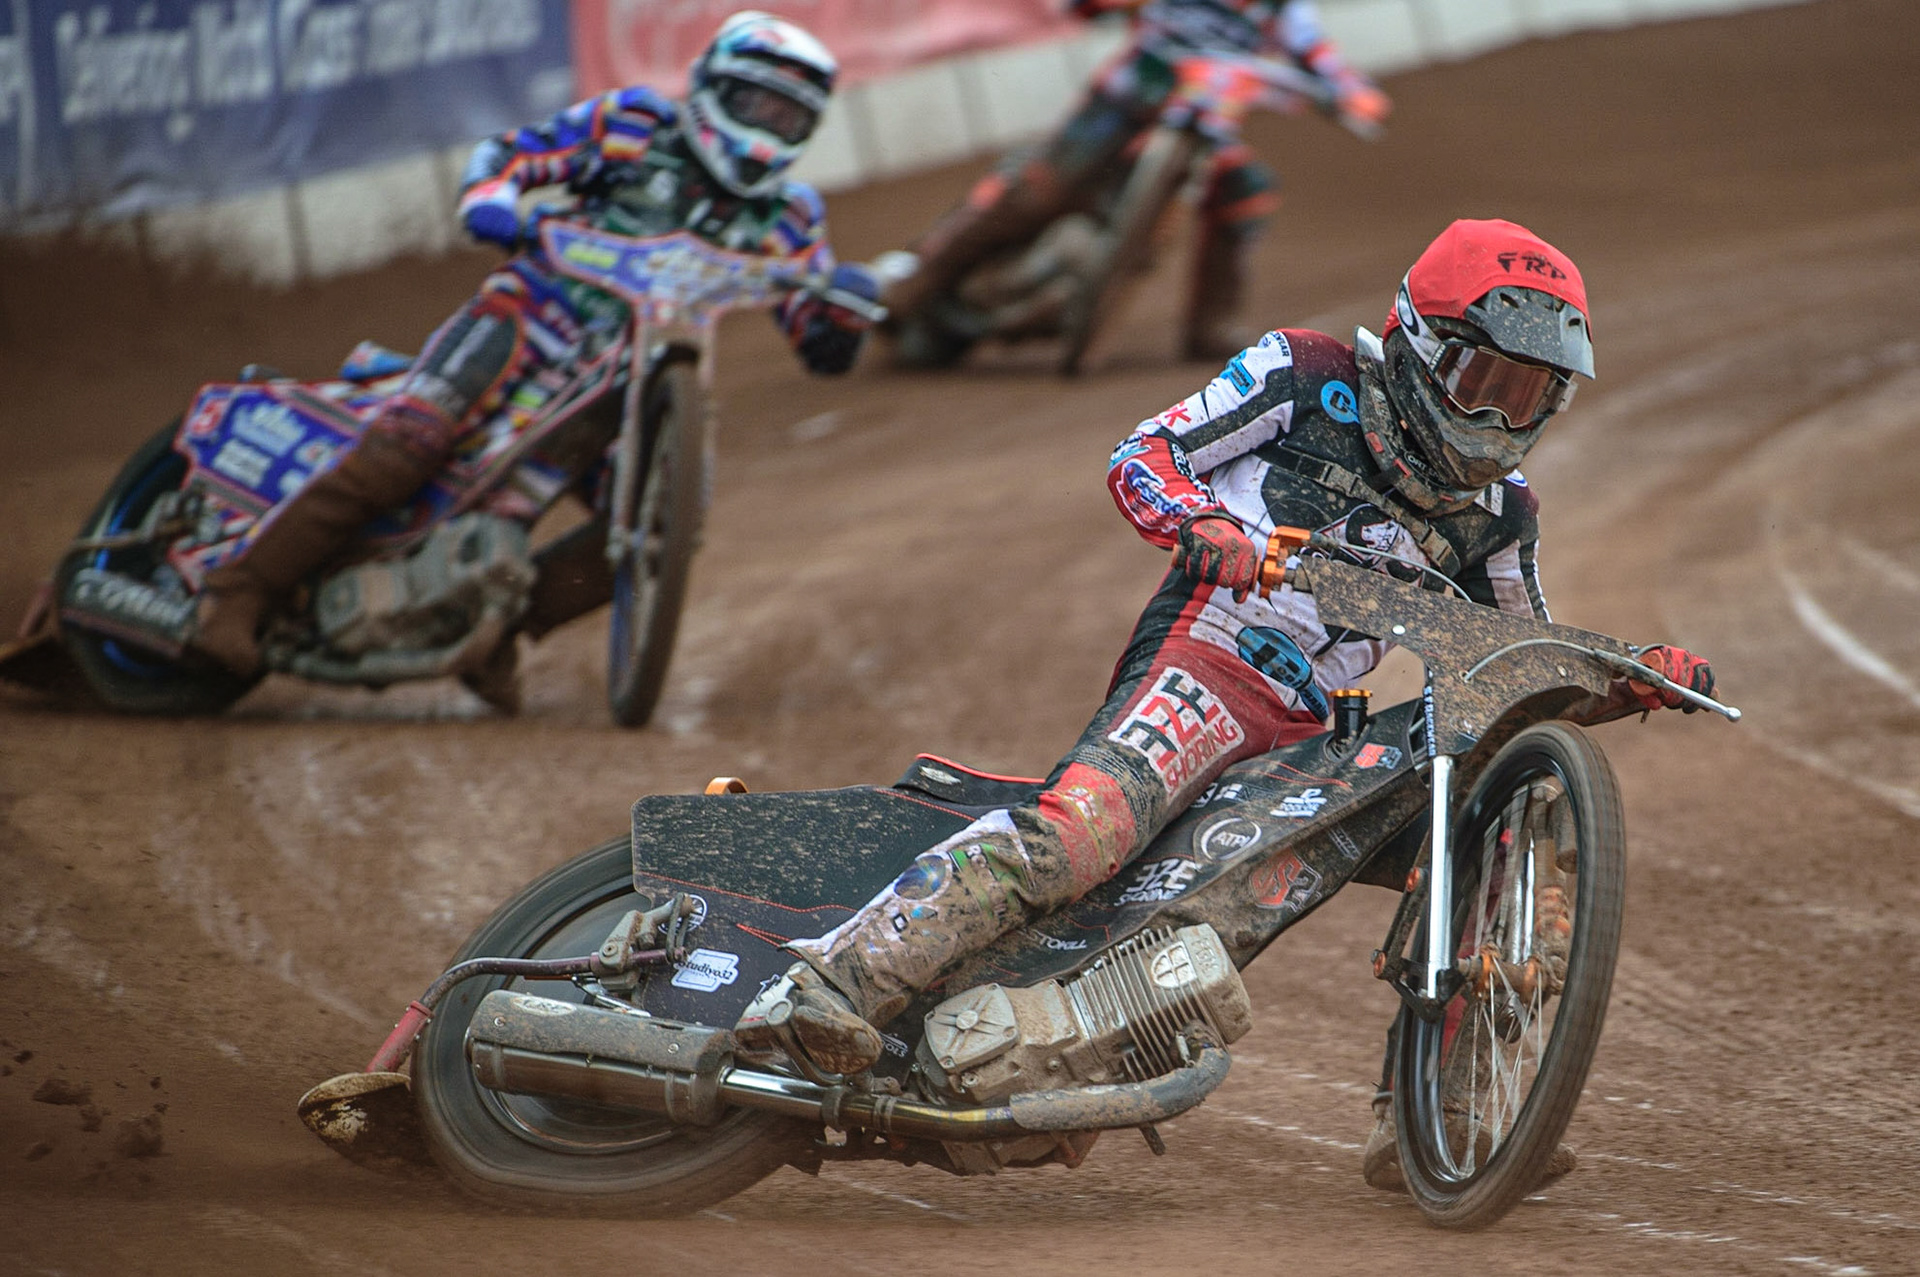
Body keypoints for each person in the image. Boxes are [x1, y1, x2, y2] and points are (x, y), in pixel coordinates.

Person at [736, 218, 1717, 1192]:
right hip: (1210, 661)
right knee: (1082, 832)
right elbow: (1144, 453)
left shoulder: (1504, 512)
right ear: (1421, 340)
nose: (1500, 417)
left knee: (1504, 830)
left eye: (1530, 394)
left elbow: (1516, 662)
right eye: (1483, 381)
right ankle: (826, 982)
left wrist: (1626, 672)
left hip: (1315, 731)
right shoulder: (1305, 375)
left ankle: (1440, 1112)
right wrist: (1202, 522)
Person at [190, 11, 878, 678]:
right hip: (526, 321)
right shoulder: (635, 127)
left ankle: (497, 631)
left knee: (662, 525)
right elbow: (512, 154)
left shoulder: (789, 219)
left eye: (787, 116)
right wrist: (491, 198)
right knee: (411, 439)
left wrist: (843, 313)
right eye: (756, 103)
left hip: (625, 389)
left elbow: (817, 339)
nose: (766, 128)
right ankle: (237, 589)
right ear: (713, 88)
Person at [877, 0, 1392, 363]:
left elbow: (1318, 54)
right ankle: (913, 286)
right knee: (1038, 193)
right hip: (1124, 99)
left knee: (1245, 191)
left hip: (1204, 121)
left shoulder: (1282, 8)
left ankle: (1213, 326)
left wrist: (1354, 93)